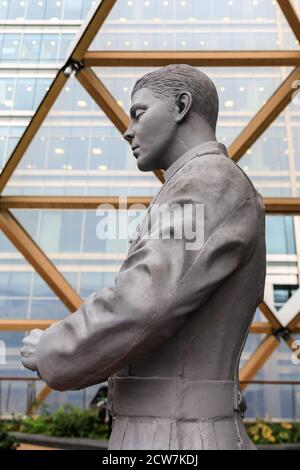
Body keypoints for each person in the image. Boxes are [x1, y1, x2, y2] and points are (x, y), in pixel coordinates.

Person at [21, 64, 266, 450]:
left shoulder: (209, 181)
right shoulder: (199, 183)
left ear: (181, 106)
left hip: (178, 436)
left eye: (139, 112)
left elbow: (143, 302)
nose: (128, 130)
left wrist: (52, 346)